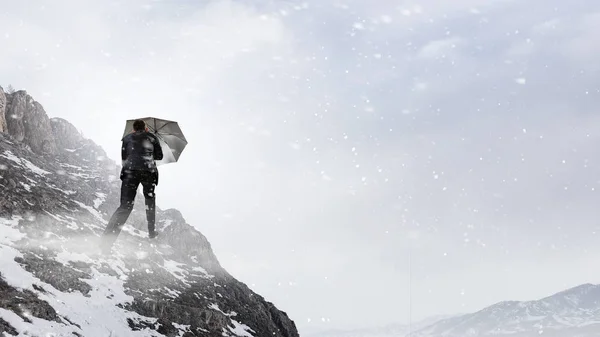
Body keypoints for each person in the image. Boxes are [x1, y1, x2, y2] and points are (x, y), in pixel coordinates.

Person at [100, 119, 163, 253]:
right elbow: (160, 156)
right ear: (145, 128)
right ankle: (151, 231)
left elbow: (124, 158)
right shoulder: (152, 137)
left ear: (133, 129)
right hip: (148, 172)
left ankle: (105, 243)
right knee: (149, 200)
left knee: (125, 207)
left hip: (130, 172)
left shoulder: (127, 138)